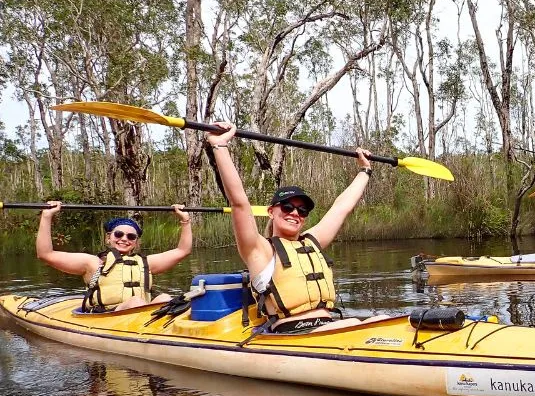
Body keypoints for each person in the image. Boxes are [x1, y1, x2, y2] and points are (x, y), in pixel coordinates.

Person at [205, 122, 374, 333]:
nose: (295, 213)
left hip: (329, 328)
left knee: (381, 319)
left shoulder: (312, 241)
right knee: (357, 326)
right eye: (287, 207)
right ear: (271, 212)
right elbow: (239, 202)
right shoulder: (260, 250)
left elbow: (341, 208)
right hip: (293, 334)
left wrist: (364, 170)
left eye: (302, 211)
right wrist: (219, 146)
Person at [36, 201, 192, 312]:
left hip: (142, 317)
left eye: (131, 236)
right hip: (108, 316)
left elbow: (182, 250)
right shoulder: (92, 263)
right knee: (136, 301)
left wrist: (185, 220)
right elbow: (46, 254)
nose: (124, 239)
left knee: (165, 298)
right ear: (108, 238)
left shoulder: (146, 263)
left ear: (136, 243)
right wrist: (47, 216)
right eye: (119, 234)